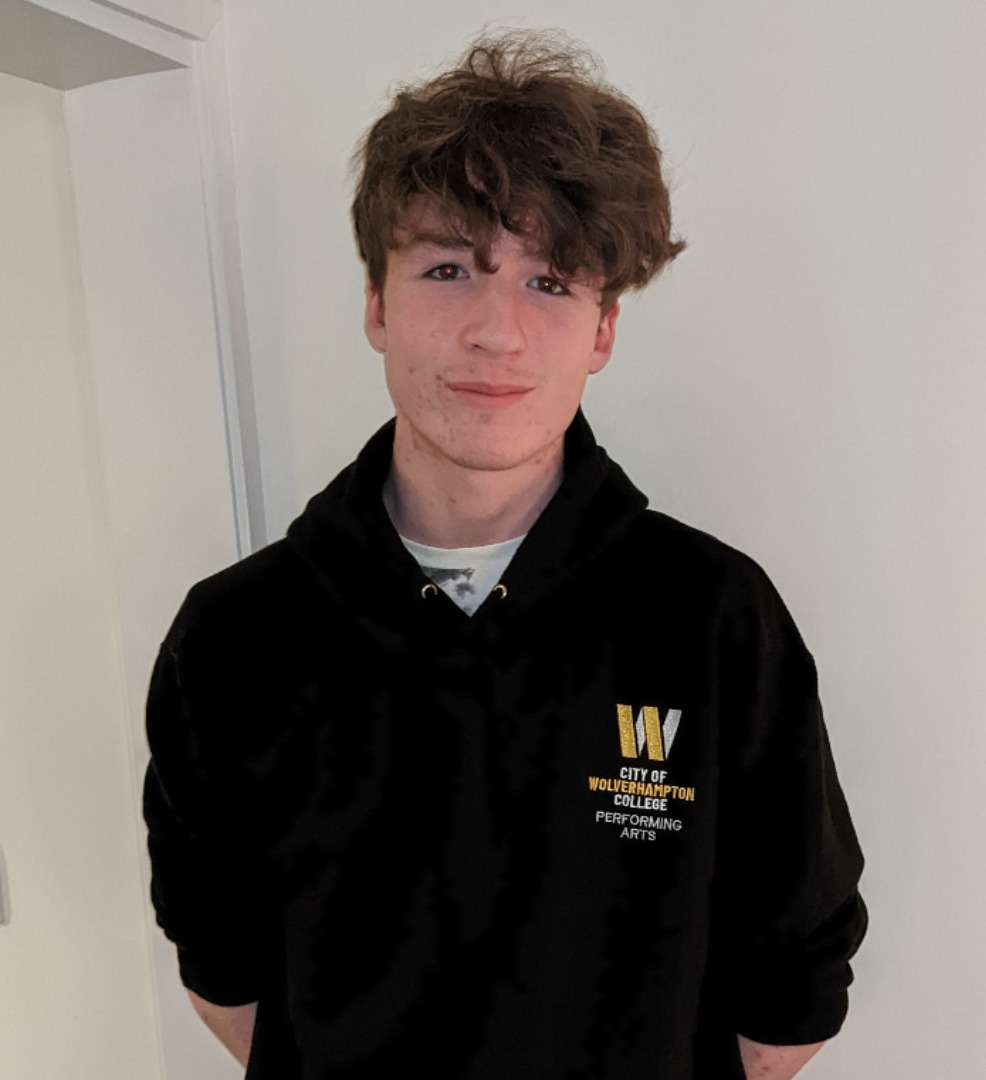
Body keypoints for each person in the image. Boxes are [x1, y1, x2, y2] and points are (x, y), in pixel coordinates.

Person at [144, 30, 867, 1080]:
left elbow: (795, 985)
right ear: (376, 306)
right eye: (449, 267)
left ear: (604, 329)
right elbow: (224, 971)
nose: (496, 332)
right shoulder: (234, 637)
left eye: (551, 283)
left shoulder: (712, 619)